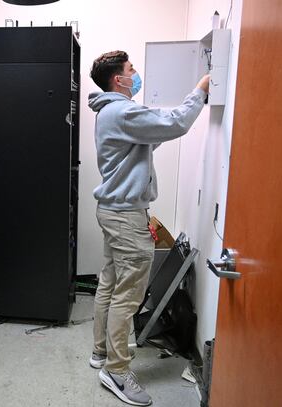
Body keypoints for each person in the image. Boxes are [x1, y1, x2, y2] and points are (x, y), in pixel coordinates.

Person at [88, 50, 209, 406]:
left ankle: (100, 353)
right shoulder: (122, 110)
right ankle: (117, 371)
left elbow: (148, 140)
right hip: (126, 216)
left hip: (113, 211)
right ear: (117, 79)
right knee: (128, 295)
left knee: (110, 285)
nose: (136, 73)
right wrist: (200, 89)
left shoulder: (109, 111)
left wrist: (159, 124)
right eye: (130, 70)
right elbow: (176, 124)